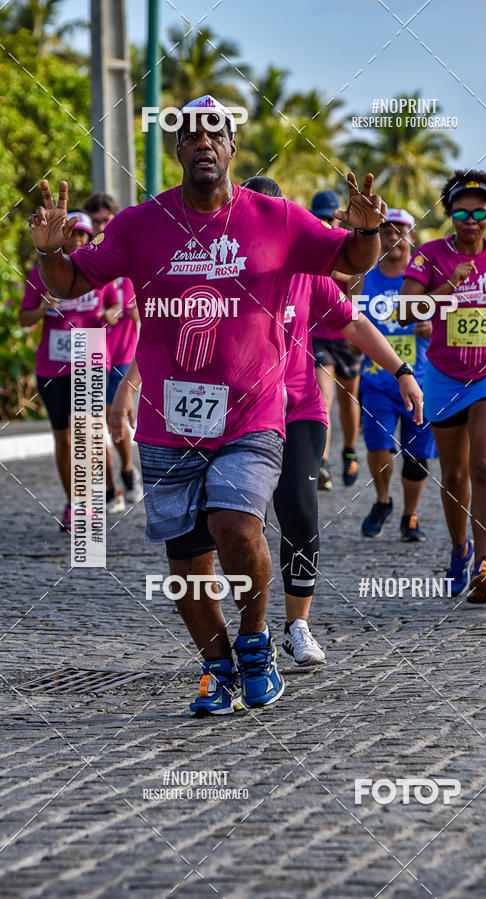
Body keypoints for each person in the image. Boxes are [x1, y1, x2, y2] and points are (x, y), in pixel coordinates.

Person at [29, 94, 388, 716]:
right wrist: (50, 251)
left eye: (213, 133)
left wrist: (364, 230)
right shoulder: (141, 225)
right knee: (187, 558)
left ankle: (256, 644)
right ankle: (217, 665)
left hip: (253, 413)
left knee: (236, 523)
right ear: (176, 149)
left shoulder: (276, 217)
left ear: (230, 147)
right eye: (190, 134)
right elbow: (70, 284)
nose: (202, 142)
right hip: (169, 423)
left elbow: (350, 261)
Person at [242, 177, 423, 666]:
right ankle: (248, 630)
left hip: (298, 410)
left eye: (275, 213)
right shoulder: (222, 271)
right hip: (237, 416)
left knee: (299, 512)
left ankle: (297, 625)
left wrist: (403, 370)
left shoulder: (307, 272)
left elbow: (355, 323)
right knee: (241, 526)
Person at [400, 170, 486, 603]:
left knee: (484, 467)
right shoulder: (429, 255)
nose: (469, 219)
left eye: (479, 211)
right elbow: (404, 311)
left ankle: (484, 563)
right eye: (460, 211)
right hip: (443, 374)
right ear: (450, 214)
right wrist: (447, 286)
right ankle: (460, 550)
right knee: (454, 474)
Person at [19, 211, 119, 532]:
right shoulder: (42, 273)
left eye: (83, 235)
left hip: (91, 354)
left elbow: (116, 303)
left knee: (86, 434)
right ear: (63, 238)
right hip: (52, 365)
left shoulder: (100, 270)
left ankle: (88, 501)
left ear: (90, 240)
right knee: (63, 439)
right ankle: (74, 503)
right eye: (72, 234)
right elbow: (23, 319)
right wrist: (42, 308)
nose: (77, 240)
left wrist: (112, 313)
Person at [352, 208, 437, 540]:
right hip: (376, 381)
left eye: (400, 231)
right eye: (387, 231)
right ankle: (383, 500)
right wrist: (355, 345)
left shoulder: (423, 279)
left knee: (416, 454)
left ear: (412, 238)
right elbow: (351, 325)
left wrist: (430, 327)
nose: (393, 237)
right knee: (378, 446)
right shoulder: (364, 276)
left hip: (420, 380)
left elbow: (444, 323)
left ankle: (410, 516)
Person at [83, 192, 143, 511]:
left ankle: (127, 469)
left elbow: (137, 305)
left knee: (111, 418)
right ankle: (110, 490)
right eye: (95, 221)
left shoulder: (126, 254)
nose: (100, 225)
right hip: (91, 348)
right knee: (94, 425)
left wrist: (130, 312)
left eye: (106, 219)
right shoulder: (84, 257)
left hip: (123, 351)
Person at [309, 190, 362, 490]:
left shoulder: (347, 244)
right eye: (320, 217)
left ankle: (350, 450)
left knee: (349, 400)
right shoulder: (311, 243)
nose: (326, 223)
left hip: (348, 333)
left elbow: (356, 278)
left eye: (330, 217)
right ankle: (323, 463)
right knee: (323, 398)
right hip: (318, 335)